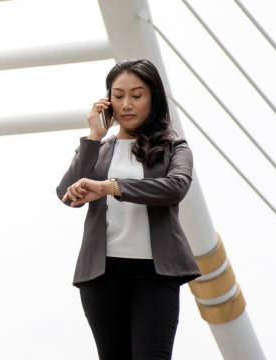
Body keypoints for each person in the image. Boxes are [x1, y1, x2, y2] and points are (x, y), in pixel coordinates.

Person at [56, 59, 201, 360]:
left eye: (137, 95)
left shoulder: (175, 149)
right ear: (107, 101)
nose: (126, 104)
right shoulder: (99, 149)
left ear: (153, 98)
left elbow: (173, 188)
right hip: (102, 275)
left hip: (155, 276)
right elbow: (68, 196)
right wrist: (94, 137)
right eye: (118, 95)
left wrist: (108, 187)